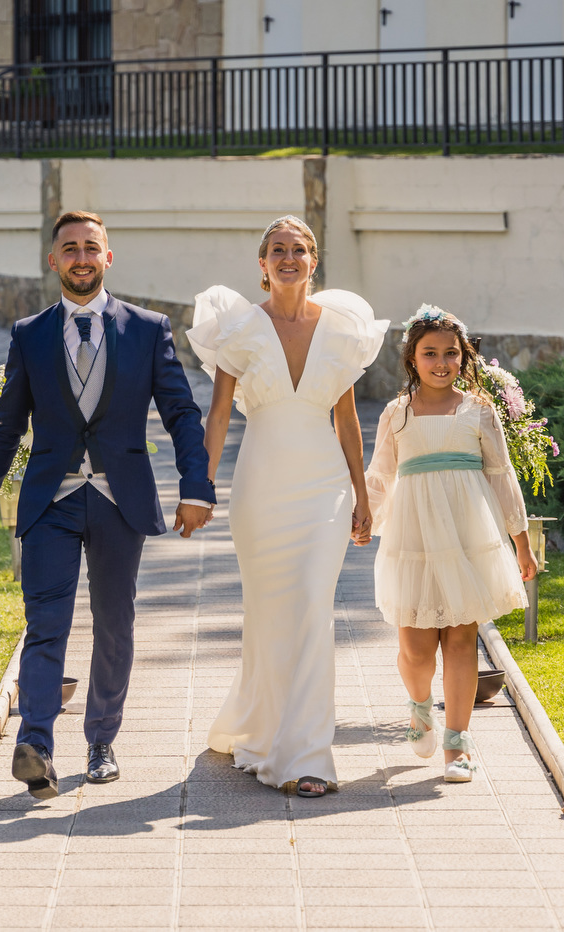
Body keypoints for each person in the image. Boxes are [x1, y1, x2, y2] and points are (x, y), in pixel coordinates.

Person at [0, 211, 215, 798]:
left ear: (108, 257)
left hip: (119, 499)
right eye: (69, 249)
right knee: (45, 622)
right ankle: (38, 746)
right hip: (52, 500)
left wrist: (195, 487)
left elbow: (180, 413)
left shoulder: (149, 329)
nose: (80, 258)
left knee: (114, 623)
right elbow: (4, 427)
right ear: (53, 261)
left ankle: (101, 741)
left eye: (90, 248)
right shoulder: (31, 333)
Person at [190, 216, 386, 797]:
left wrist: (362, 495)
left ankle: (306, 757)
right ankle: (260, 724)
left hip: (324, 487)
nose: (290, 258)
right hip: (261, 488)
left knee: (310, 605)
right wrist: (200, 487)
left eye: (300, 249)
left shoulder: (343, 330)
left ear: (314, 260)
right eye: (279, 250)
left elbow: (347, 421)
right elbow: (220, 415)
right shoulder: (241, 328)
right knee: (272, 614)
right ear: (262, 263)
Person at [365, 306, 538, 782]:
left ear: (464, 358)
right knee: (417, 649)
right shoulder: (396, 414)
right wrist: (361, 519)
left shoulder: (479, 411)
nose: (441, 362)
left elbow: (502, 478)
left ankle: (457, 745)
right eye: (430, 353)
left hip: (467, 536)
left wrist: (521, 543)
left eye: (451, 354)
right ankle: (420, 706)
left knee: (462, 640)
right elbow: (379, 474)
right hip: (414, 537)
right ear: (411, 358)